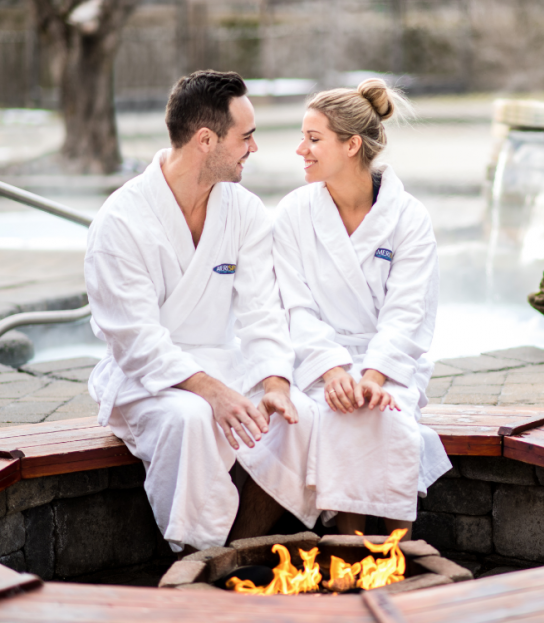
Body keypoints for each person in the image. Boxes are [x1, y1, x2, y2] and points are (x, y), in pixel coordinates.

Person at [84, 70, 319, 554]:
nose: (253, 148)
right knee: (191, 419)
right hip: (146, 379)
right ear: (206, 140)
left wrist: (275, 382)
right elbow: (135, 340)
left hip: (222, 363)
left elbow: (262, 312)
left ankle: (235, 552)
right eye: (246, 137)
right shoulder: (120, 221)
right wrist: (214, 393)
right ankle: (194, 555)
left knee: (302, 416)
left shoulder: (244, 211)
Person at [272, 78, 452, 537]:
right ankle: (347, 548)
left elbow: (407, 312)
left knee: (387, 416)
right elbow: (293, 307)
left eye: (313, 139)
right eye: (303, 138)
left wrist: (373, 376)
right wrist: (333, 371)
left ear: (351, 145)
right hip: (317, 362)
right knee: (338, 413)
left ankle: (397, 550)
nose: (301, 150)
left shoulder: (408, 217)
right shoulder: (293, 213)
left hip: (389, 362)